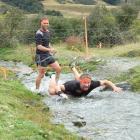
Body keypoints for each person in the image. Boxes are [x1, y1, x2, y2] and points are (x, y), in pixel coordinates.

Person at [48, 66, 122, 99]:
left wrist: (114, 87)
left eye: (88, 83)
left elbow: (106, 81)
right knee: (52, 92)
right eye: (85, 83)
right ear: (80, 82)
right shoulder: (72, 85)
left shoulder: (92, 83)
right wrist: (61, 94)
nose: (87, 85)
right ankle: (52, 75)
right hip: (67, 91)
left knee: (80, 78)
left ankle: (73, 67)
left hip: (79, 82)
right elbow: (58, 87)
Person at [35, 17, 61, 92]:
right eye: (44, 23)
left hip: (48, 55)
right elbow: (39, 46)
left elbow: (47, 43)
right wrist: (50, 50)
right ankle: (36, 90)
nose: (46, 24)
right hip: (41, 56)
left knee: (58, 69)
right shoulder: (38, 33)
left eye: (47, 23)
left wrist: (51, 49)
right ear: (41, 23)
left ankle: (56, 84)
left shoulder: (47, 31)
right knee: (41, 75)